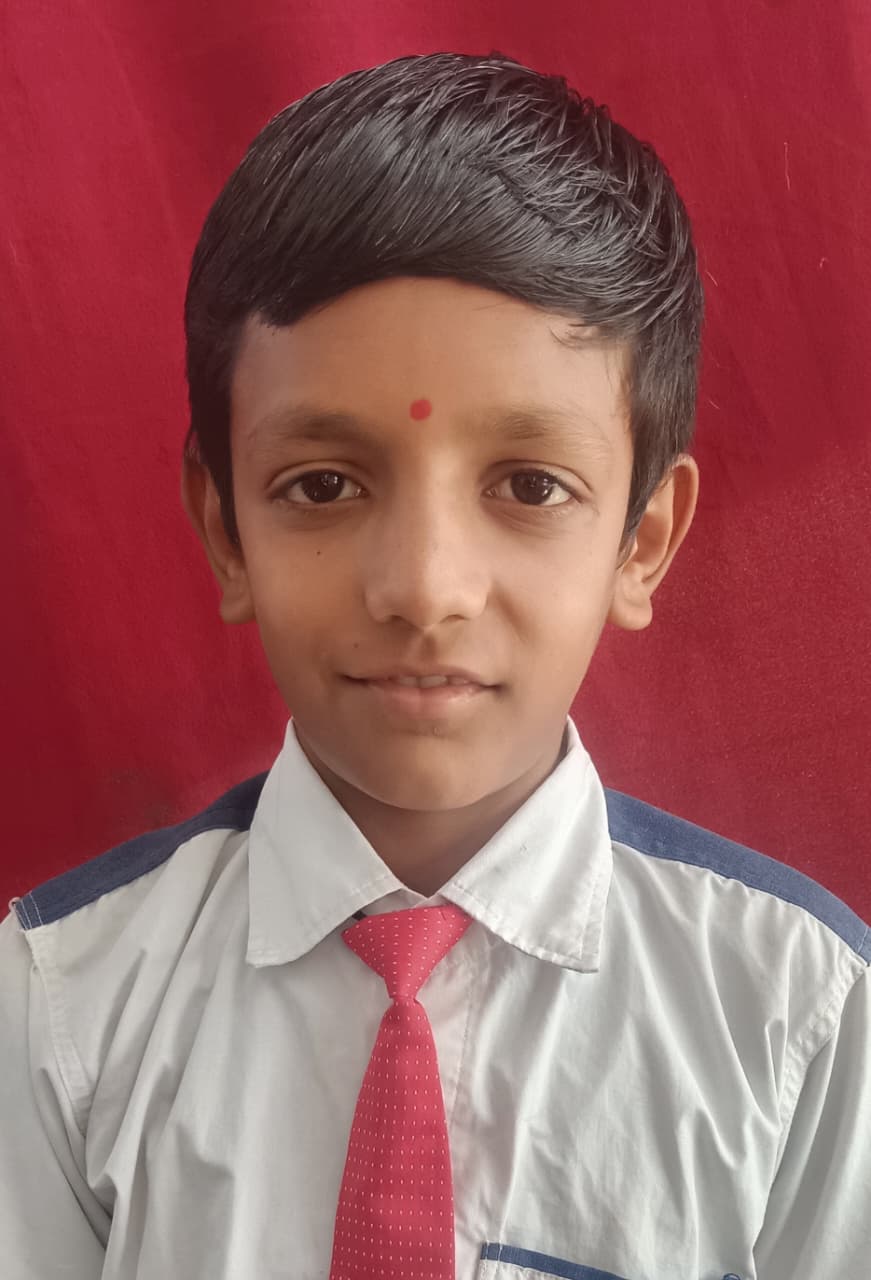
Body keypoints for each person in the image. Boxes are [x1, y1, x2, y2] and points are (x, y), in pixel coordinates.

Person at [1, 49, 868, 1280]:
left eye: (530, 485)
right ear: (225, 529)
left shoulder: (804, 1020)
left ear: (641, 541)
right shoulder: (60, 1009)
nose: (422, 586)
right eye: (322, 484)